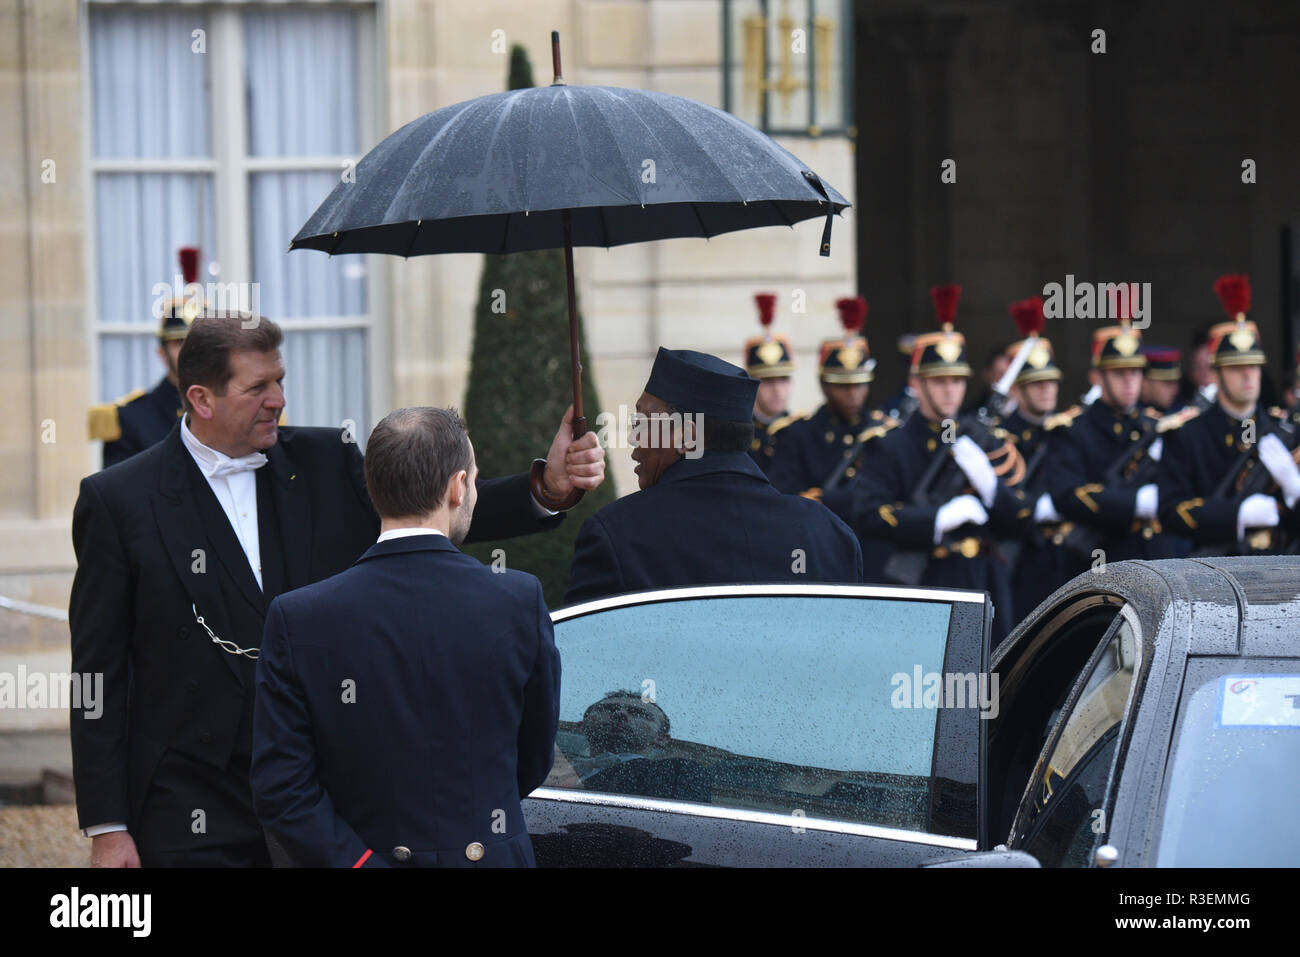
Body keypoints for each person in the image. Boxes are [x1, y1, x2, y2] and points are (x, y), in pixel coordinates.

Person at [68, 313, 603, 868]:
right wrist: (108, 827)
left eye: (280, 380)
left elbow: (427, 506)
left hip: (326, 798)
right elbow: (96, 671)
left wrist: (546, 487)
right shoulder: (119, 501)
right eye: (258, 387)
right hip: (190, 804)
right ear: (202, 399)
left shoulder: (325, 459)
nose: (278, 399)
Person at [250, 407, 560, 867]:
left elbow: (284, 790)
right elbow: (532, 756)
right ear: (457, 487)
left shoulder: (299, 617)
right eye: (474, 480)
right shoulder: (517, 599)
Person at [564, 347, 862, 605]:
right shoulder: (828, 533)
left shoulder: (616, 535)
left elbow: (584, 655)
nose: (633, 437)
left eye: (643, 420)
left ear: (686, 436)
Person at [852, 284, 1026, 635]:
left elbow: (1020, 521)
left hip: (984, 581)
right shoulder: (894, 445)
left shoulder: (982, 438)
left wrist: (991, 489)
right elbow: (868, 514)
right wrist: (936, 519)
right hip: (929, 583)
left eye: (957, 381)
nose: (951, 390)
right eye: (940, 380)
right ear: (916, 384)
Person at [1159, 274, 1300, 554]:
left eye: (1253, 365)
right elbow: (1172, 511)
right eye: (1236, 367)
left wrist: (1294, 493)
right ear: (1215, 372)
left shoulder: (1284, 429)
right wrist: (1236, 515)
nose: (1248, 375)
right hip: (1214, 573)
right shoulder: (1189, 434)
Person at [1041, 311, 1189, 576]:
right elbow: (1067, 494)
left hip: (1154, 560)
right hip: (1098, 564)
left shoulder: (1156, 426)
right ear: (1097, 377)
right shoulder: (1074, 429)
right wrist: (1135, 502)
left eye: (1135, 372)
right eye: (1119, 373)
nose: (1130, 381)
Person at [766, 296, 894, 521]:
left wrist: (827, 499)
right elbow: (784, 503)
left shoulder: (885, 432)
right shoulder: (798, 435)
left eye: (859, 385)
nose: (853, 395)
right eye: (842, 386)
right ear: (824, 385)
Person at [996, 296, 1072, 624]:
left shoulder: (1068, 429)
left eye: (1050, 382)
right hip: (1024, 558)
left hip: (1068, 556)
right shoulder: (1001, 438)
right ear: (1017, 389)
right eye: (1036, 383)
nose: (1046, 390)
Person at [88, 246, 200, 468]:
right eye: (179, 343)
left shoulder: (234, 410)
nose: (191, 350)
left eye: (198, 341)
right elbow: (118, 497)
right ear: (161, 352)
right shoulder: (131, 417)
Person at [744, 292, 801, 472]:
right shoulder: (740, 433)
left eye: (784, 380)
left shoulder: (803, 432)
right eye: (767, 381)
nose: (778, 390)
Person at [1139, 346, 1185, 413]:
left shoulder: (1180, 409)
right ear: (1144, 383)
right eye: (1167, 383)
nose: (1175, 390)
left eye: (1176, 382)